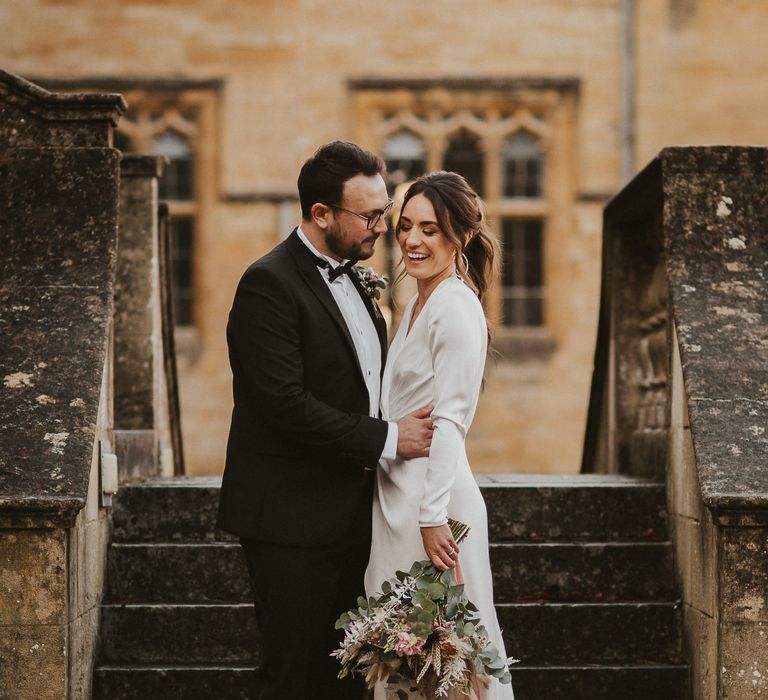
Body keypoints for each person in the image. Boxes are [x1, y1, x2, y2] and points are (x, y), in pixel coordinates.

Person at [217, 140, 435, 700]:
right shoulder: (268, 283)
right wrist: (388, 437)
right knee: (293, 678)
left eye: (383, 213)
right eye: (369, 216)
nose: (382, 228)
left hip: (351, 518)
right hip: (290, 521)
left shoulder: (358, 281)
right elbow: (283, 404)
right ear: (320, 214)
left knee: (346, 683)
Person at [365, 171, 515, 699]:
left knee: (450, 666)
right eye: (405, 226)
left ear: (461, 236)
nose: (411, 240)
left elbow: (451, 420)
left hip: (437, 510)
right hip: (398, 502)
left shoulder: (454, 306)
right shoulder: (414, 305)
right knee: (406, 668)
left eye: (430, 229)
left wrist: (432, 520)